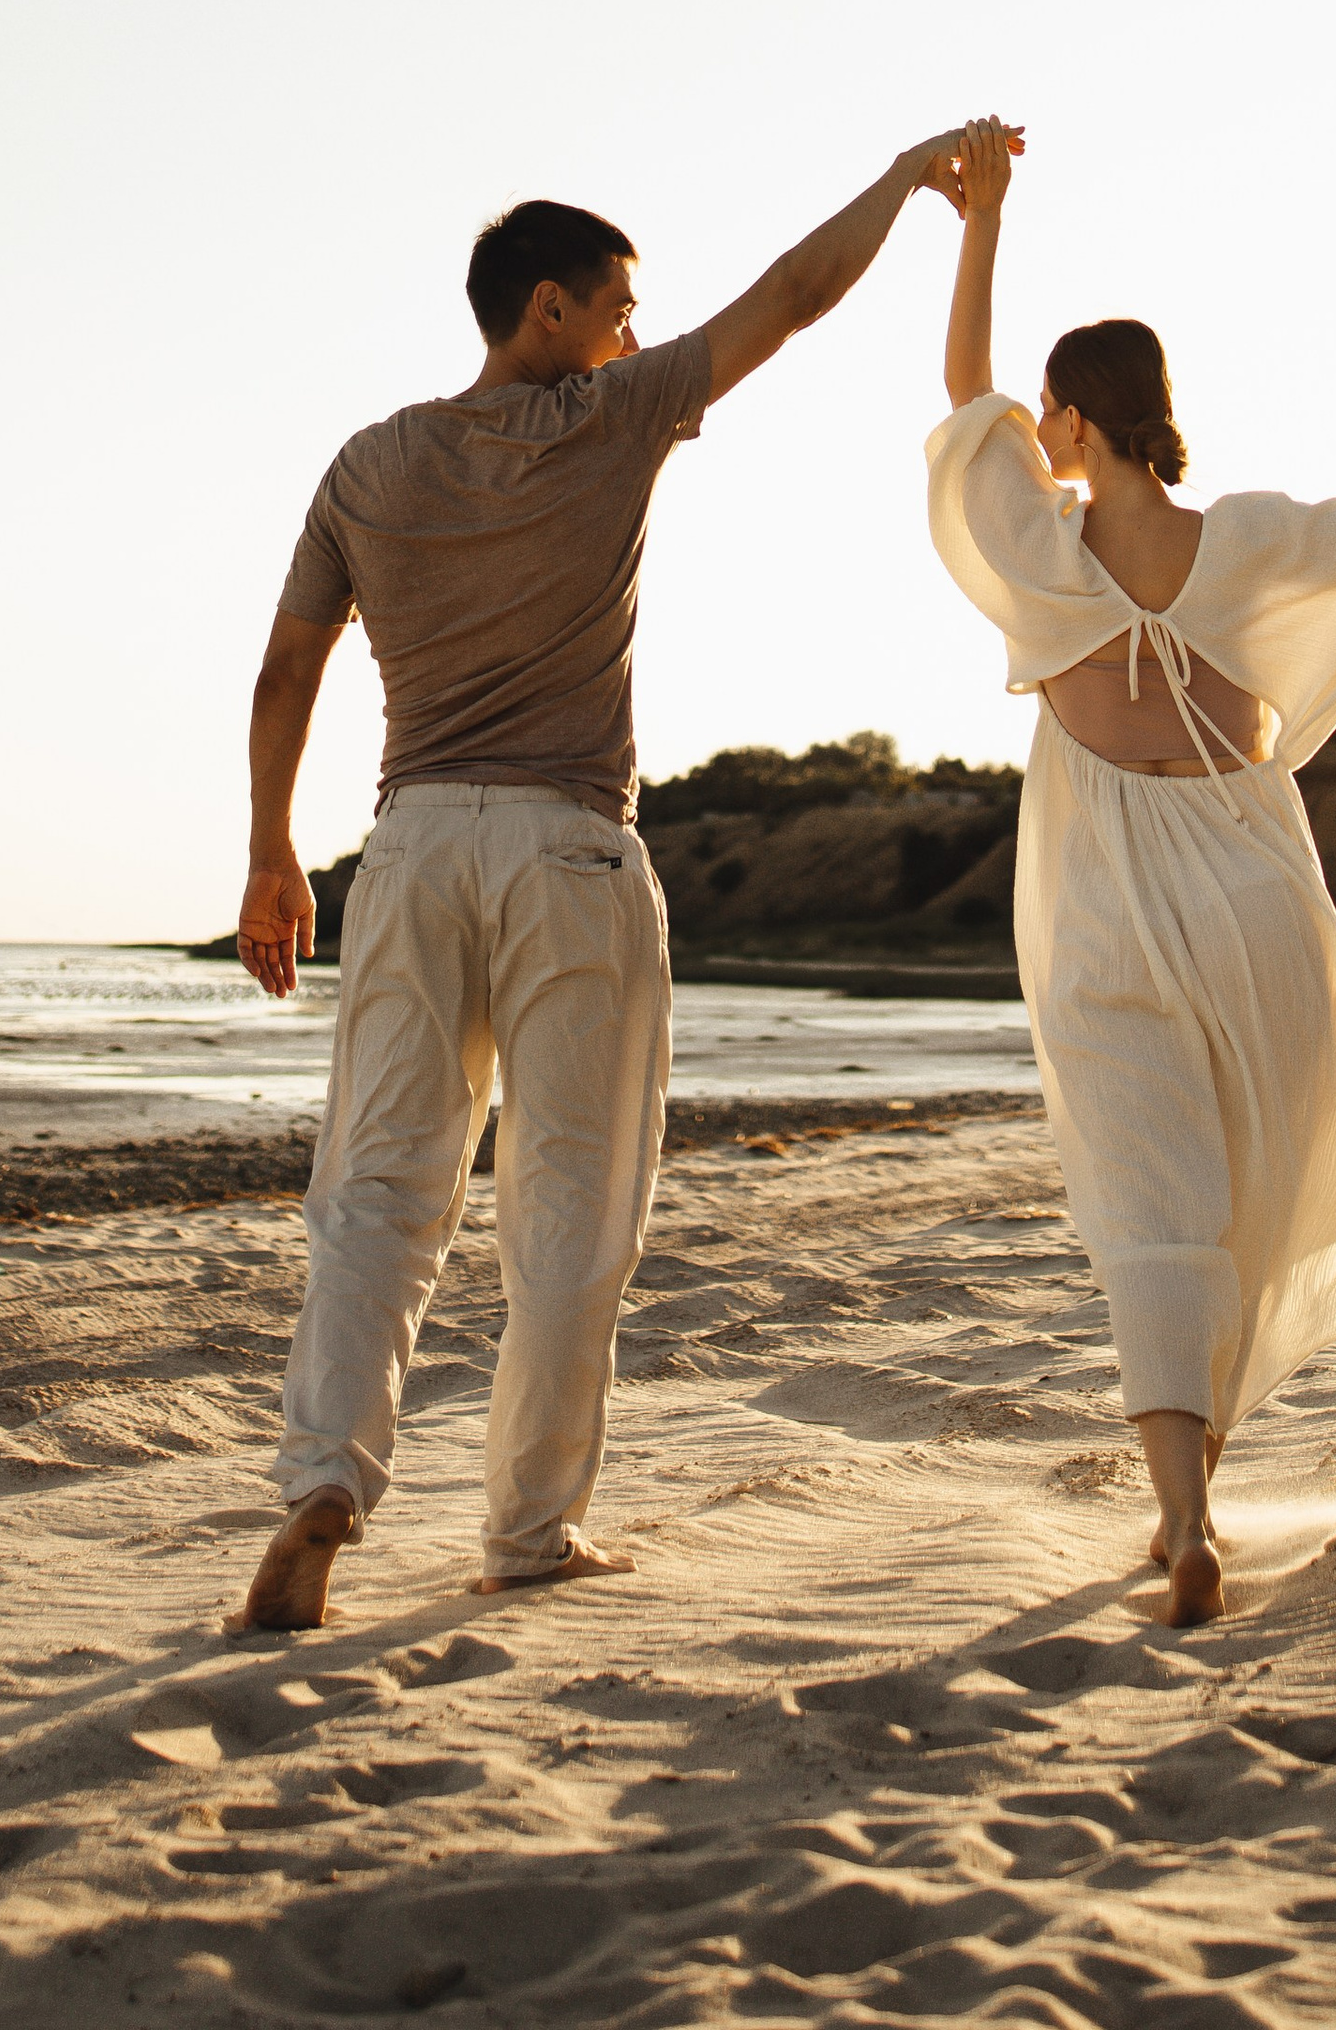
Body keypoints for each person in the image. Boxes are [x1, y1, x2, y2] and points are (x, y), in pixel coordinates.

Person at [233, 131, 1002, 1631]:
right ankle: (527, 1531)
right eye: (619, 306)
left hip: (407, 847)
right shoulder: (612, 416)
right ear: (547, 312)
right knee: (572, 1208)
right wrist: (911, 180)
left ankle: (326, 1484)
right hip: (569, 849)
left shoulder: (368, 462)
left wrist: (271, 852)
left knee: (376, 1192)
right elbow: (794, 294)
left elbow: (285, 670)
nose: (639, 333)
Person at [925, 122, 1336, 1625]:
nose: (1032, 433)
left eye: (1050, 417)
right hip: (1253, 888)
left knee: (1153, 1213)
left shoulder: (1048, 554)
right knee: (1248, 1207)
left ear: (1076, 417)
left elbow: (963, 399)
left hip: (1115, 907)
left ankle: (1185, 1519)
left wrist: (983, 218)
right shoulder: (1250, 542)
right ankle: (1197, 1490)